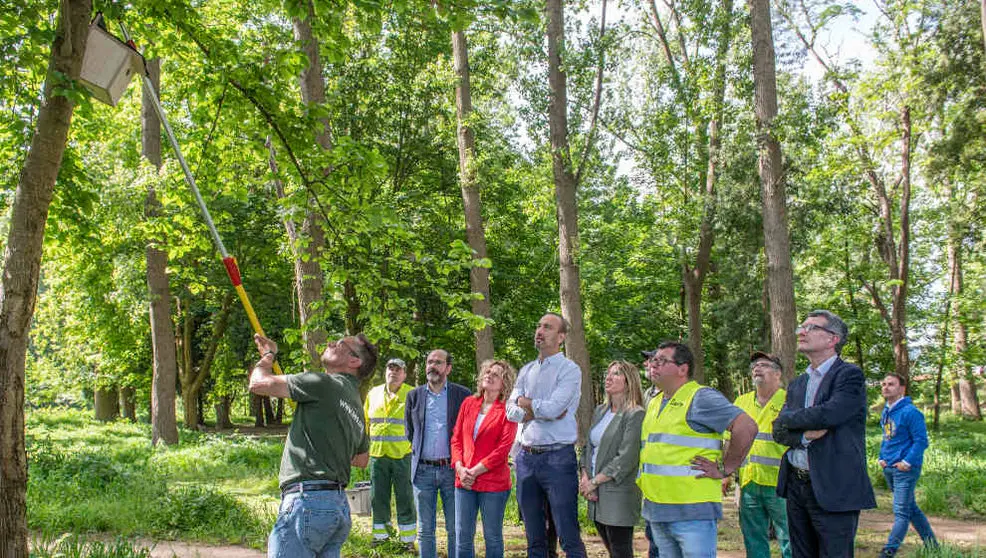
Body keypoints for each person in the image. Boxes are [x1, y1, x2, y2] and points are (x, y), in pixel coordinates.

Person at [249, 333, 378, 558]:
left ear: (354, 361)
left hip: (307, 503)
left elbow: (258, 383)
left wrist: (267, 355)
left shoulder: (323, 383)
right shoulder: (356, 404)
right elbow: (361, 459)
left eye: (340, 344)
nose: (330, 343)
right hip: (336, 508)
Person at [637, 341, 758, 558]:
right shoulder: (655, 401)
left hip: (692, 511)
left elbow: (746, 426)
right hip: (658, 509)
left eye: (662, 361)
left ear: (683, 369)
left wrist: (726, 468)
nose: (654, 365)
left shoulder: (701, 397)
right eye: (653, 360)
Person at [772, 310, 876, 558]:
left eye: (812, 327)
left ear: (833, 339)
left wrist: (788, 418)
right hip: (797, 485)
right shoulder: (798, 383)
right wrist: (803, 436)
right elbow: (778, 431)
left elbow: (831, 414)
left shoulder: (849, 375)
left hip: (834, 485)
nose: (802, 332)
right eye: (802, 327)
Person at [506, 312, 587, 558]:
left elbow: (555, 409)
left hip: (557, 459)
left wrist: (526, 404)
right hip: (526, 459)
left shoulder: (569, 369)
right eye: (539, 326)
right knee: (534, 535)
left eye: (548, 327)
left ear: (561, 337)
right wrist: (535, 409)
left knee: (567, 532)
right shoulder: (526, 370)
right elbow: (510, 411)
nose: (540, 331)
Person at [406, 349, 471, 558]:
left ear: (448, 368)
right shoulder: (414, 396)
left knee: (455, 529)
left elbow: (467, 432)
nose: (432, 366)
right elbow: (410, 432)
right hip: (422, 470)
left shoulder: (462, 395)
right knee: (425, 530)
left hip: (452, 470)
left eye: (438, 362)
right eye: (429, 362)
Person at [451, 359, 519, 558]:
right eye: (487, 372)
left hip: (493, 483)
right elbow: (456, 439)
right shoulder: (468, 403)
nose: (489, 375)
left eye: (496, 374)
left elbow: (502, 450)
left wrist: (474, 471)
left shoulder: (508, 410)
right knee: (462, 536)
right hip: (463, 481)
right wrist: (460, 469)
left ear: (504, 383)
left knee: (492, 537)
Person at [578, 361, 645, 558]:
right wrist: (585, 478)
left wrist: (594, 481)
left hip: (618, 491)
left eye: (615, 374)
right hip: (595, 492)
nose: (608, 377)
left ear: (629, 380)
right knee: (610, 547)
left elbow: (627, 457)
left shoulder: (635, 414)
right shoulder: (601, 411)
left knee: (620, 550)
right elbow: (588, 447)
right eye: (607, 373)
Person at [729, 352, 791, 558]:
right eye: (755, 365)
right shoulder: (741, 401)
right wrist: (729, 474)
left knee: (790, 538)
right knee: (753, 539)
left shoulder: (789, 400)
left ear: (777, 374)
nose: (757, 368)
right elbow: (730, 439)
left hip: (782, 484)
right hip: (749, 482)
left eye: (764, 365)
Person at [878, 373, 938, 557]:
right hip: (889, 468)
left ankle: (889, 550)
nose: (886, 387)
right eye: (884, 384)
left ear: (902, 388)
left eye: (891, 384)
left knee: (901, 512)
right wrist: (881, 457)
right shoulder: (886, 411)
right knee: (911, 508)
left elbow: (921, 441)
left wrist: (906, 462)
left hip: (905, 469)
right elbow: (887, 438)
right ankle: (933, 546)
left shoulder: (911, 412)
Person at [364, 357, 416, 550]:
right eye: (390, 369)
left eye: (398, 370)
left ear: (404, 374)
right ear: (385, 372)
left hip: (403, 455)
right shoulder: (373, 393)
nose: (393, 372)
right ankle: (381, 537)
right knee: (378, 498)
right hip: (378, 455)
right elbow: (366, 423)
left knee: (405, 498)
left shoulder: (412, 394)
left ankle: (407, 541)